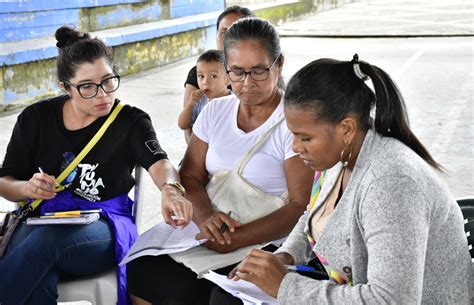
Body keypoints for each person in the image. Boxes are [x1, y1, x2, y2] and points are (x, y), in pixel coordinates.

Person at [225, 55, 472, 304]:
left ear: (346, 129)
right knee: (224, 296)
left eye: (305, 138)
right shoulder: (340, 155)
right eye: (293, 135)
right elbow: (315, 214)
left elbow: (391, 300)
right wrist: (285, 256)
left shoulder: (391, 184)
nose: (296, 147)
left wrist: (285, 286)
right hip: (350, 288)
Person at [126, 17, 314, 305]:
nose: (248, 83)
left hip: (266, 238)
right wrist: (207, 220)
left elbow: (300, 206)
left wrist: (236, 239)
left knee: (216, 293)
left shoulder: (291, 121)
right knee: (145, 270)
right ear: (226, 69)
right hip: (212, 231)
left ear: (279, 64)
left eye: (260, 71)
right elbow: (189, 176)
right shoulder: (215, 112)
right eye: (237, 72)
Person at [0, 26, 192, 305]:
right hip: (44, 217)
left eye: (108, 81)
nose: (102, 94)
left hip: (105, 224)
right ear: (65, 87)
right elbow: (6, 182)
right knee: (38, 271)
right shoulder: (36, 119)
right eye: (87, 87)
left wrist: (171, 189)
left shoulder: (130, 121)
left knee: (44, 243)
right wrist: (27, 188)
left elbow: (159, 162)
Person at [182, 5, 255, 142]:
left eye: (237, 31)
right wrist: (199, 156)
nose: (229, 38)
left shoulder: (260, 74)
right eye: (224, 32)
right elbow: (187, 127)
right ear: (216, 36)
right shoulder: (199, 72)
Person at [178, 49, 231, 142]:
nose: (205, 82)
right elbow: (182, 125)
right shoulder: (199, 102)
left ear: (228, 79)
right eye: (201, 76)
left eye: (213, 76)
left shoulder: (234, 101)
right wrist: (190, 105)